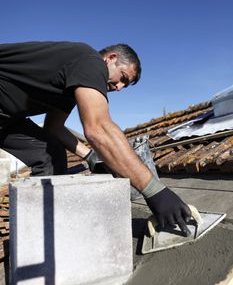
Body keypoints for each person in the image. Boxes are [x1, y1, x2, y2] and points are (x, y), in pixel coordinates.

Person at [0, 41, 191, 235]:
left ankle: (43, 235)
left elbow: (54, 127)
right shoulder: (89, 60)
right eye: (122, 77)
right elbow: (98, 128)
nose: (119, 88)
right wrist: (154, 191)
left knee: (51, 152)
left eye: (125, 85)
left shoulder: (70, 87)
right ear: (111, 58)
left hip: (6, 119)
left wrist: (92, 157)